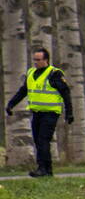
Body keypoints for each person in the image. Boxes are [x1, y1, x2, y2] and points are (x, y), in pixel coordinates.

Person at [5, 48, 74, 177]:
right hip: (36, 113)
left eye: (38, 60)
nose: (35, 62)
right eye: (34, 60)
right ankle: (47, 170)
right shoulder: (31, 73)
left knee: (43, 139)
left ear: (46, 60)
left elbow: (65, 93)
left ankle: (42, 168)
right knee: (38, 140)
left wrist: (69, 112)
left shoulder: (54, 74)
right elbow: (23, 91)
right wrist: (11, 104)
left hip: (50, 113)